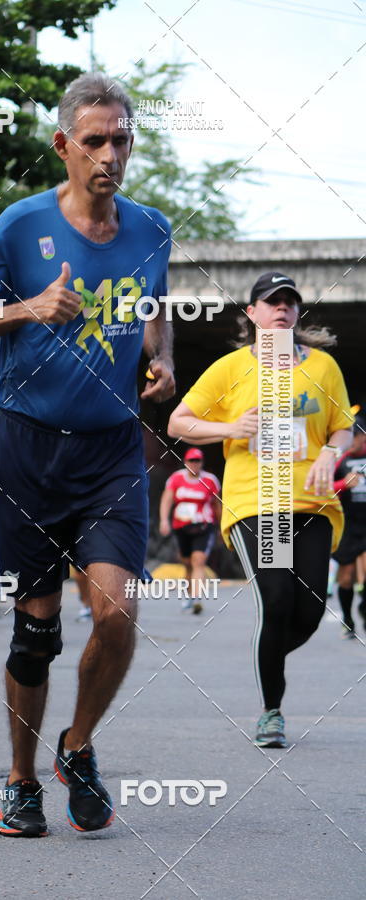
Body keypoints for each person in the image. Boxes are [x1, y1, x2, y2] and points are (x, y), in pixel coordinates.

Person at [0, 72, 175, 836]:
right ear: (64, 144)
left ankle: (78, 746)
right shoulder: (18, 226)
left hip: (109, 452)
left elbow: (154, 305)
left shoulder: (152, 229)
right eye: (95, 140)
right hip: (28, 453)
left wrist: (161, 355)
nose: (110, 154)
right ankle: (20, 777)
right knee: (35, 633)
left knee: (118, 611)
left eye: (121, 139)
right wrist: (28, 307)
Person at [167, 271, 353, 749]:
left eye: (289, 301)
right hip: (258, 502)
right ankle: (272, 711)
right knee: (276, 599)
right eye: (272, 302)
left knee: (308, 613)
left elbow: (342, 427)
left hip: (313, 503)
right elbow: (178, 424)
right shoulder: (230, 369)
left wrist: (332, 454)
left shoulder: (324, 367)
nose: (282, 308)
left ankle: (266, 654)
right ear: (252, 314)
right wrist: (230, 427)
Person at [159, 447, 221, 614]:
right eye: (191, 461)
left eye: (197, 461)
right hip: (182, 527)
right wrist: (164, 520)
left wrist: (222, 526)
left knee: (198, 561)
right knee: (187, 563)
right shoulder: (176, 478)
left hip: (204, 525)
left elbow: (217, 505)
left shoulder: (210, 480)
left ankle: (196, 598)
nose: (194, 464)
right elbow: (167, 500)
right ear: (186, 462)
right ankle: (188, 595)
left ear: (202, 463)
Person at [332, 415, 366, 638]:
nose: (350, 441)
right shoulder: (339, 461)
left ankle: (364, 607)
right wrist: (343, 485)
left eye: (353, 436)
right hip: (347, 525)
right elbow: (323, 488)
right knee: (346, 577)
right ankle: (348, 618)